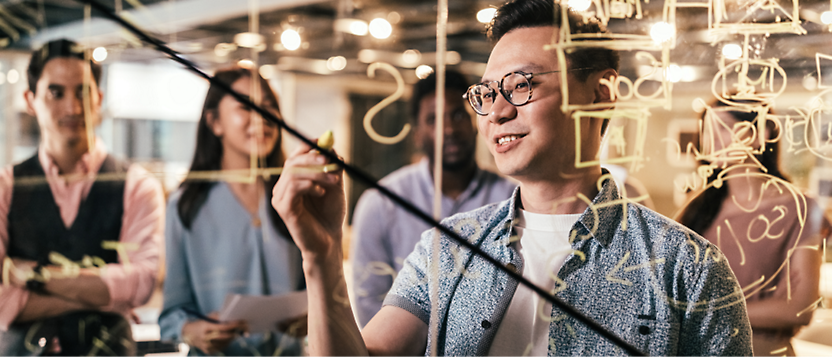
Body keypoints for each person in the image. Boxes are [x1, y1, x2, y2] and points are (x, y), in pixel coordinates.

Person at [271, 0, 752, 355]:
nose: (495, 112)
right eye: (486, 93)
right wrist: (322, 257)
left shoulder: (688, 267)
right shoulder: (448, 247)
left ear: (600, 95)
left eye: (522, 84)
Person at [0, 39, 164, 356]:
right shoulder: (6, 185)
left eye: (83, 92)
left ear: (99, 98)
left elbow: (141, 284)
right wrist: (105, 296)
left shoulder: (137, 184)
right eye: (56, 92)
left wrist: (29, 276)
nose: (73, 107)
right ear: (30, 100)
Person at [158, 66, 306, 356]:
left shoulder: (293, 198)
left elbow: (315, 291)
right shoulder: (186, 205)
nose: (261, 118)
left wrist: (311, 317)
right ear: (215, 122)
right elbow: (171, 314)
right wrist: (193, 331)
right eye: (245, 107)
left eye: (268, 106)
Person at [351, 70, 516, 327]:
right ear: (416, 133)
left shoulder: (511, 198)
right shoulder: (381, 204)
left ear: (477, 121)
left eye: (458, 115)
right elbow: (369, 305)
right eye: (433, 119)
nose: (449, 129)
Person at [676, 100, 828, 356]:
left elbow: (800, 308)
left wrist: (707, 308)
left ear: (760, 135)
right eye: (707, 130)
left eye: (725, 128)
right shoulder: (697, 208)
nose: (713, 139)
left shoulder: (799, 208)